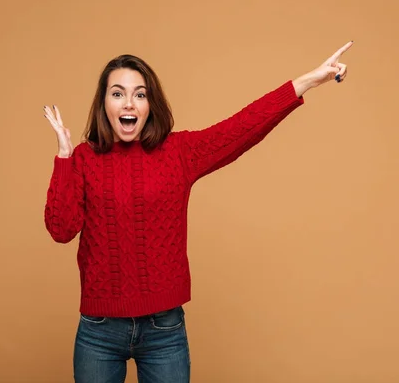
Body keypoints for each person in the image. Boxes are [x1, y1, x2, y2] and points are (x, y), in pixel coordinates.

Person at [43, 41, 353, 383]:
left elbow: (242, 127)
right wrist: (64, 158)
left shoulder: (179, 153)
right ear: (104, 103)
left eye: (140, 94)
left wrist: (307, 81)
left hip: (164, 330)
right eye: (118, 94)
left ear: (150, 104)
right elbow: (61, 229)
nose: (128, 103)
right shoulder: (85, 159)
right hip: (98, 331)